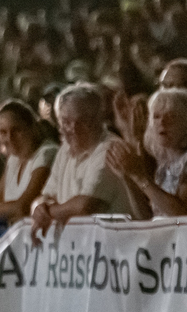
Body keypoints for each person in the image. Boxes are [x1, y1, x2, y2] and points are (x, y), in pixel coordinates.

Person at [30, 83, 132, 246]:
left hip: (110, 250)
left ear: (97, 120)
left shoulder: (110, 149)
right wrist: (38, 206)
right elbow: (46, 195)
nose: (72, 129)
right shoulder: (65, 150)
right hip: (75, 252)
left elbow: (85, 206)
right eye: (65, 122)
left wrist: (46, 213)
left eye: (81, 121)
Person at [108, 88, 187, 218]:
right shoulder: (166, 163)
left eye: (171, 116)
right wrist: (128, 176)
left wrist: (139, 177)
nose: (162, 122)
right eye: (156, 116)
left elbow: (184, 215)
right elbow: (146, 217)